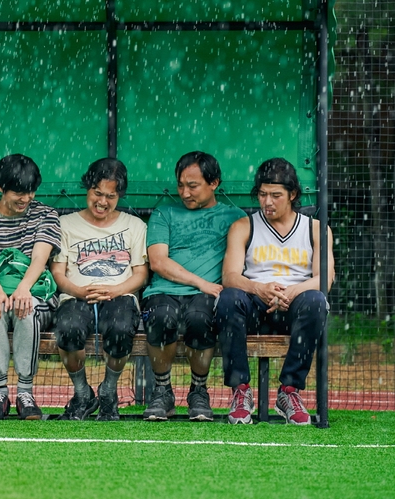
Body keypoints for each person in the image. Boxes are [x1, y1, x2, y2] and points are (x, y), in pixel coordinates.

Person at [219, 158, 334, 425]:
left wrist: (290, 292)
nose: (267, 202)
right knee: (228, 298)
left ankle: (289, 391)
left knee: (316, 301)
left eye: (275, 195)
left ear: (292, 194)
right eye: (262, 194)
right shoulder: (244, 226)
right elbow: (230, 276)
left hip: (296, 305)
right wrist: (259, 288)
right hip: (255, 304)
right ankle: (240, 391)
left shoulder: (315, 229)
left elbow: (323, 280)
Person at [141, 151, 245, 422]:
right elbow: (158, 261)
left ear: (214, 183)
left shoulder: (235, 217)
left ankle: (198, 390)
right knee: (160, 319)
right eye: (181, 185)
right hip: (165, 290)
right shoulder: (165, 212)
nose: (185, 193)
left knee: (200, 320)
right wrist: (200, 282)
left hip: (207, 296)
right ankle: (162, 389)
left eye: (193, 186)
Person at [50, 158, 148, 421]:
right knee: (68, 330)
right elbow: (58, 272)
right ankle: (82, 392)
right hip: (76, 294)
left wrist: (115, 291)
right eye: (97, 193)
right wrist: (79, 292)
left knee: (119, 330)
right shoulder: (66, 224)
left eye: (111, 196)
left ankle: (109, 390)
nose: (102, 202)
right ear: (87, 189)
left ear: (120, 196)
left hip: (120, 294)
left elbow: (140, 274)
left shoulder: (135, 226)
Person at [0, 155, 60, 420]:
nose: (26, 198)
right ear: (0, 188)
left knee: (26, 307)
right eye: (19, 192)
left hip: (33, 295)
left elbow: (40, 258)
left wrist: (23, 288)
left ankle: (25, 392)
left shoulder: (46, 214)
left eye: (31, 191)